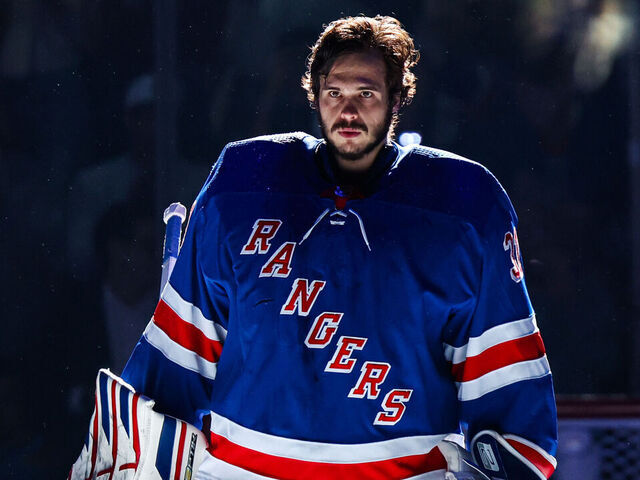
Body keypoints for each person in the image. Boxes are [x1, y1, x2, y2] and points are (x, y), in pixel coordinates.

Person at [70, 15, 557, 480]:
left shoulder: (464, 206)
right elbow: (175, 363)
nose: (348, 110)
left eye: (366, 93)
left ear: (396, 98)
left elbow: (511, 413)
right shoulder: (242, 185)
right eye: (334, 92)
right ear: (315, 95)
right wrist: (135, 441)